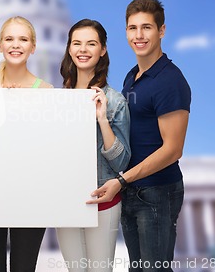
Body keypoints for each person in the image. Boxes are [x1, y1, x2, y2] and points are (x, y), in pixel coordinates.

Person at [88, 0, 191, 272]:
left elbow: (173, 150)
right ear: (125, 32)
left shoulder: (170, 81)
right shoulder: (132, 76)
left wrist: (122, 180)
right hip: (132, 189)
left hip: (156, 191)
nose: (139, 35)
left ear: (162, 30)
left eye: (146, 27)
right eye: (132, 28)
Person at [0, 16, 52, 272]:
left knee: (24, 268)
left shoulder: (47, 92)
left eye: (23, 39)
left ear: (33, 46)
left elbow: (49, 148)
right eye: (9, 39)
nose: (15, 45)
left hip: (30, 195)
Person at [56, 19, 131, 272]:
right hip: (65, 200)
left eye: (91, 43)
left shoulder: (115, 100)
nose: (83, 49)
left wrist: (102, 119)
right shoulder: (56, 100)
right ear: (69, 49)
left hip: (103, 201)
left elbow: (122, 163)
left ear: (103, 49)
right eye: (76, 43)